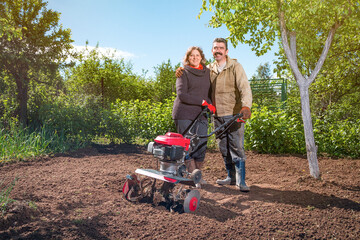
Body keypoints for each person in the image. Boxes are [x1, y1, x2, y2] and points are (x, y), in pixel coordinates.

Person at [176, 38, 252, 192]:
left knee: (236, 147)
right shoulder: (209, 69)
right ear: (212, 51)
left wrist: (246, 106)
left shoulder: (235, 67)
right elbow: (194, 71)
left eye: (221, 48)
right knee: (223, 147)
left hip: (234, 113)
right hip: (217, 114)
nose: (218, 50)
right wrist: (181, 69)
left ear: (226, 51)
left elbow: (245, 88)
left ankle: (241, 180)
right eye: (215, 48)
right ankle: (230, 177)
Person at [172, 46, 215, 188]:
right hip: (184, 113)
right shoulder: (183, 72)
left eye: (197, 55)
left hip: (200, 114)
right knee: (187, 146)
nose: (195, 58)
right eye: (192, 56)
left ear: (201, 57)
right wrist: (202, 102)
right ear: (188, 58)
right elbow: (182, 95)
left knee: (201, 145)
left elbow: (208, 93)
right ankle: (192, 178)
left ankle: (198, 175)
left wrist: (210, 103)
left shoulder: (207, 72)